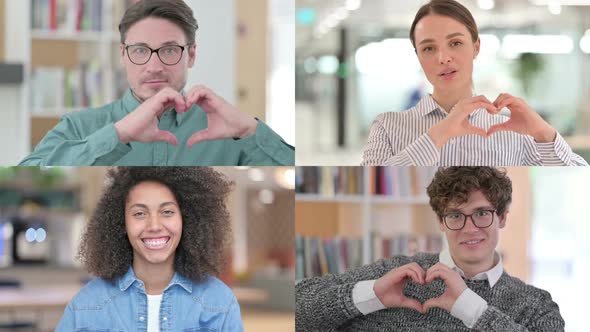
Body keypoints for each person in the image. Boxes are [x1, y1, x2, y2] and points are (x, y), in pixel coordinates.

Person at [20, 0, 293, 166]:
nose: (154, 66)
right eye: (140, 50)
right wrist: (117, 135)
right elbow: (29, 174)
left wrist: (249, 130)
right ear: (123, 55)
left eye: (169, 50)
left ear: (192, 55)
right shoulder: (79, 126)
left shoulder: (229, 133)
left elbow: (299, 179)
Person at [296, 167, 564, 331]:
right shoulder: (396, 277)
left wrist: (472, 309)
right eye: (456, 215)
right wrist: (371, 295)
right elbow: (297, 309)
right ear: (440, 221)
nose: (469, 228)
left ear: (502, 217)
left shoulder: (535, 305)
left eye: (482, 213)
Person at [361, 0, 586, 166]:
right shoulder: (387, 127)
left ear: (476, 47)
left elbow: (579, 188)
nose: (443, 58)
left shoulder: (513, 131)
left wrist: (545, 134)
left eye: (455, 43)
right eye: (429, 48)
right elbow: (368, 192)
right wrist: (438, 134)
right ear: (419, 56)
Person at [56, 167, 243, 331]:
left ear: (188, 219)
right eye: (139, 213)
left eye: (167, 212)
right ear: (121, 223)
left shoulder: (220, 303)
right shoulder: (86, 306)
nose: (154, 225)